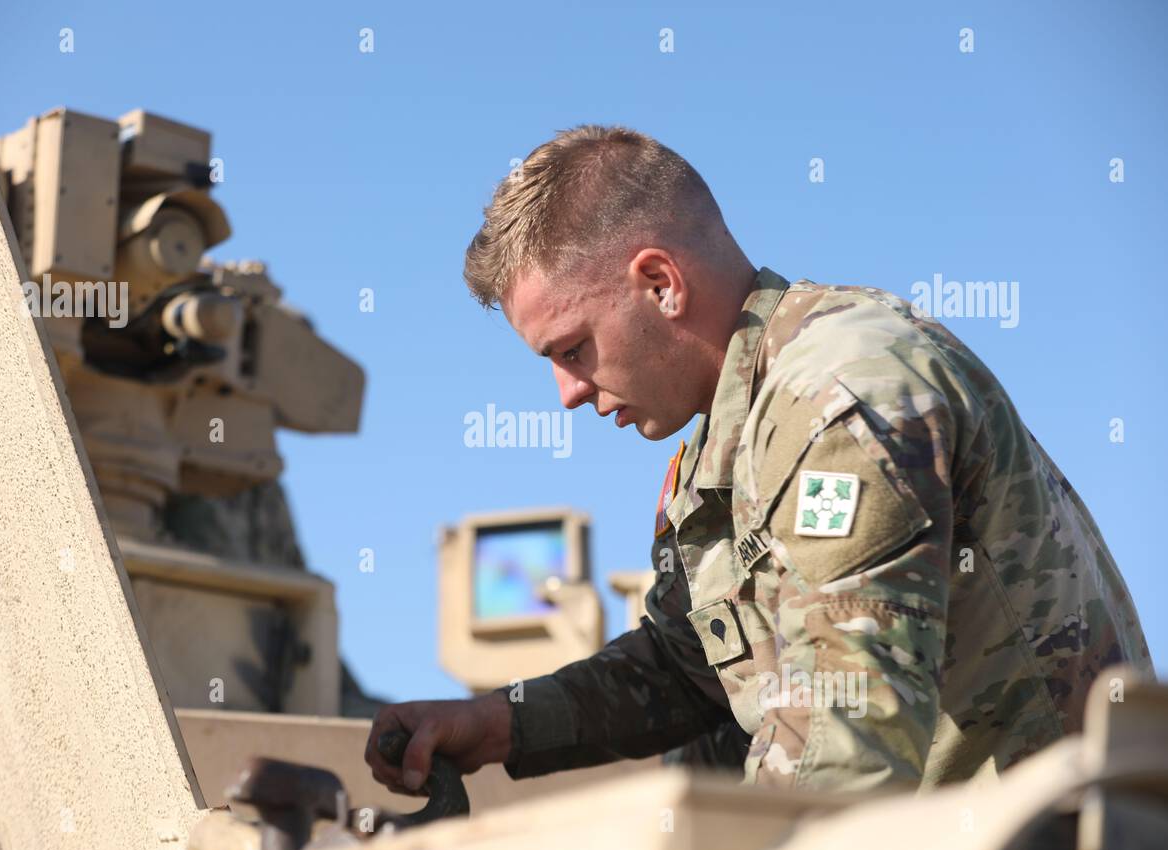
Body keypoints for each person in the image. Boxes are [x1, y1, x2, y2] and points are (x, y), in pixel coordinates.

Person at [365, 125, 1153, 794]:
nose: (566, 394)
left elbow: (843, 745)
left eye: (573, 349)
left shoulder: (838, 395)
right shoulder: (727, 443)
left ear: (661, 284)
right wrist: (498, 722)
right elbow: (687, 671)